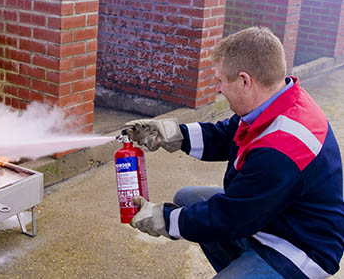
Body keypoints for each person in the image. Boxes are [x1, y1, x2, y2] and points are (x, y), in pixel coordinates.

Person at [126, 27, 344, 278]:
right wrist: (175, 134)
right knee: (189, 198)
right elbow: (228, 134)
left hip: (300, 246)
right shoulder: (278, 101)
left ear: (244, 80)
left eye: (219, 81)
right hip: (275, 216)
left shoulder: (281, 149)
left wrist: (164, 219)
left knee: (201, 217)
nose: (218, 88)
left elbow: (231, 217)